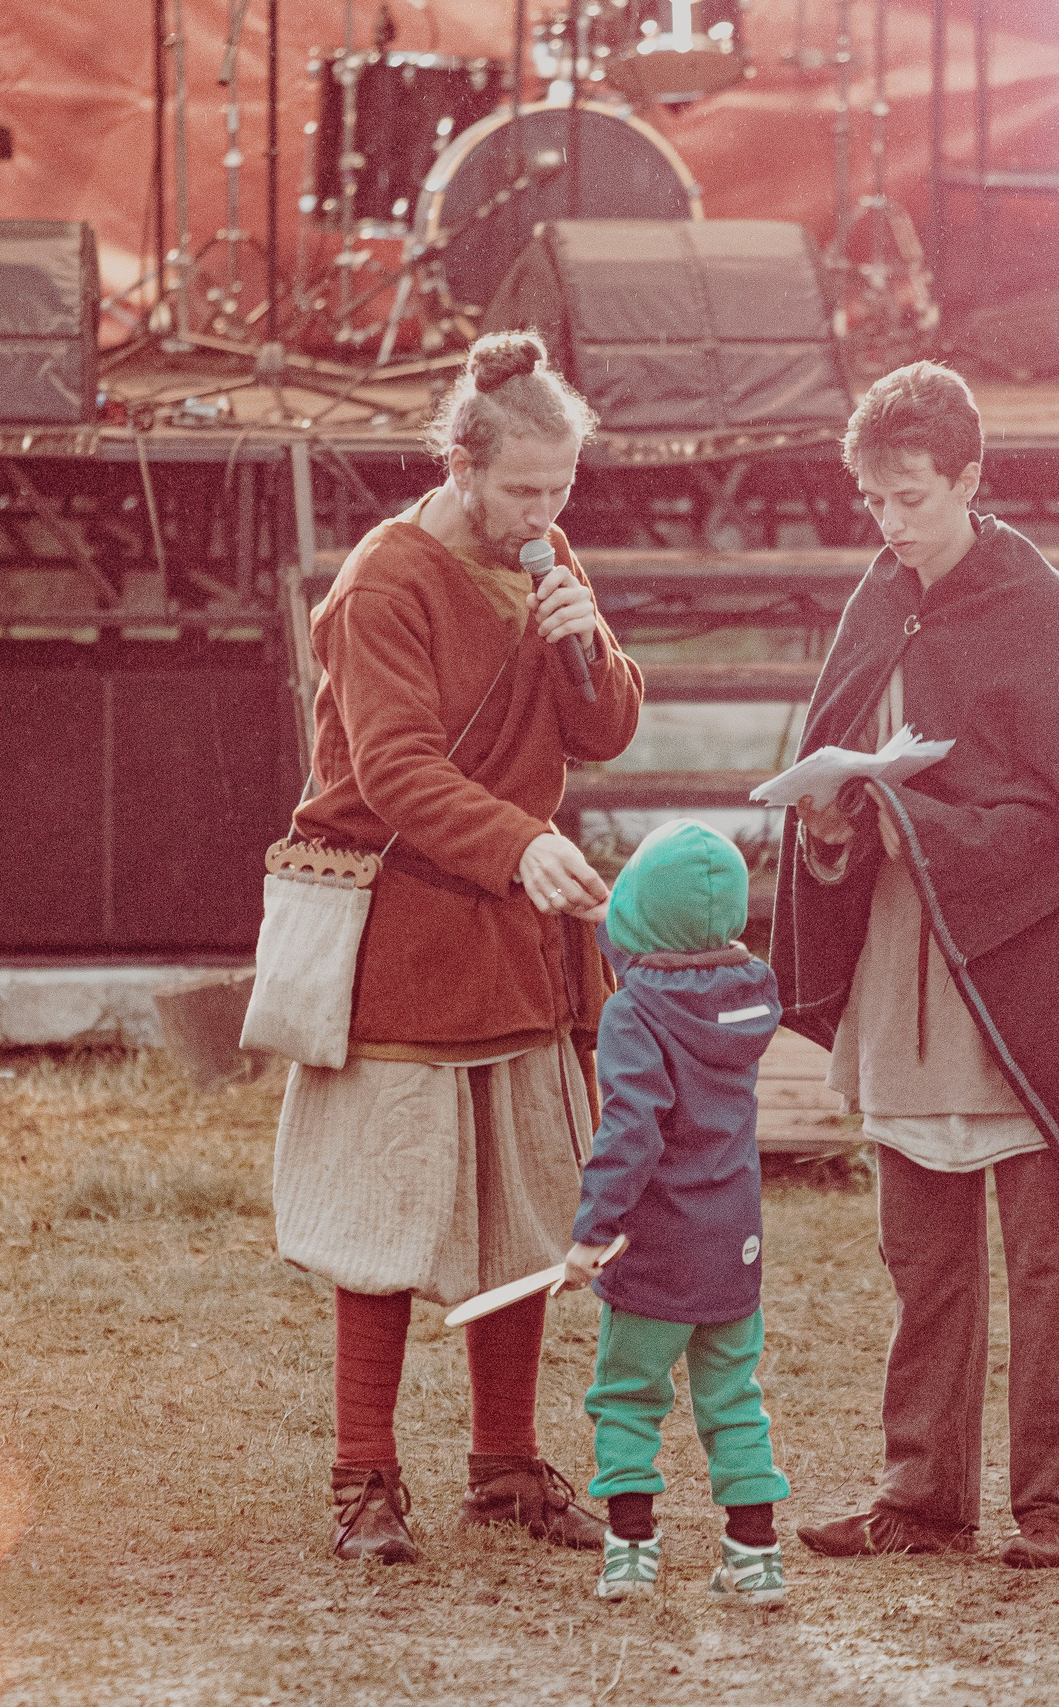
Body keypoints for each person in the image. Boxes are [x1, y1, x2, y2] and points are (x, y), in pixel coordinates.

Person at [768, 362, 1059, 1567]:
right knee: (921, 1254)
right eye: (874, 502)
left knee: (1047, 1261)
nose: (891, 525)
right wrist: (832, 828)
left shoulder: (1043, 616)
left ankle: (1057, 1508)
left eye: (912, 499)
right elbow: (840, 784)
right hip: (905, 976)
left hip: (1027, 980)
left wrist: (915, 825)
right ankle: (920, 1497)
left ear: (970, 480)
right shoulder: (879, 599)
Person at [270, 330, 647, 1565]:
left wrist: (587, 645)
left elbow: (602, 731)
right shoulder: (384, 585)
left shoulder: (546, 558)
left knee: (525, 1203)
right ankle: (362, 1478)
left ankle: (505, 1468)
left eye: (561, 489)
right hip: (408, 936)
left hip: (512, 935)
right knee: (385, 1216)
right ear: (461, 466)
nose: (544, 514)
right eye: (523, 490)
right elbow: (392, 770)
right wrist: (518, 845)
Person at [558, 820, 793, 1606]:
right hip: (733, 1247)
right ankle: (754, 1555)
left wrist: (592, 1233)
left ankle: (630, 1548)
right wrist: (612, 918)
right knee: (733, 1397)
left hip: (655, 1247)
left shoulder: (632, 1015)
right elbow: (675, 963)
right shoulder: (747, 999)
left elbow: (630, 1131)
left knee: (627, 1393)